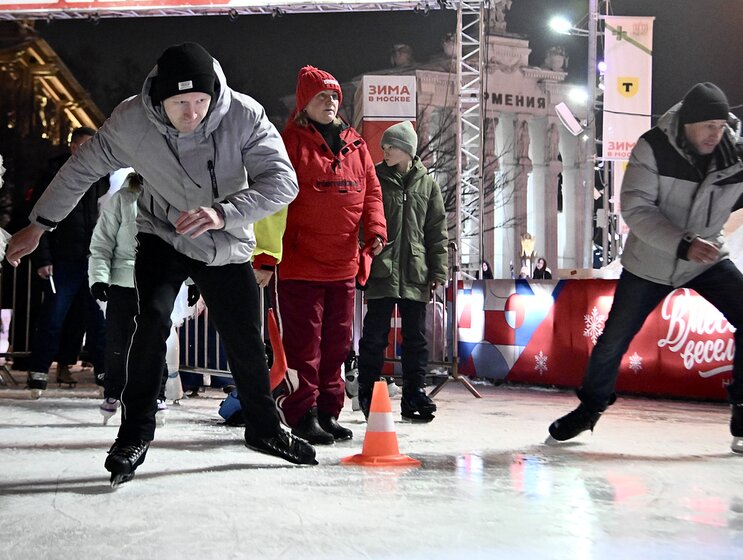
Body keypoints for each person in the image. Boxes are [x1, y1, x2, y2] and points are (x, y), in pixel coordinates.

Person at [6, 42, 317, 486]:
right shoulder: (132, 121)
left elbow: (283, 181)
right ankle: (133, 434)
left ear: (214, 94)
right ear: (158, 100)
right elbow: (80, 170)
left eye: (200, 102)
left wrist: (223, 213)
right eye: (179, 104)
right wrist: (40, 225)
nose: (192, 114)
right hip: (162, 233)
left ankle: (265, 429)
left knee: (247, 338)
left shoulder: (243, 114)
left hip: (224, 237)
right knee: (149, 323)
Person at [547, 82, 743, 454]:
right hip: (651, 262)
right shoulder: (653, 148)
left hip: (706, 259)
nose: (715, 134)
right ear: (687, 123)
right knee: (614, 341)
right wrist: (683, 243)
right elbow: (637, 209)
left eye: (720, 126)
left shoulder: (739, 156)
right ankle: (589, 409)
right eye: (708, 125)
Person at [256, 66, 386, 445]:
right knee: (303, 346)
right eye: (321, 97)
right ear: (304, 104)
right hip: (301, 265)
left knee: (337, 345)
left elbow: (372, 193)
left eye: (333, 97)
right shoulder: (289, 143)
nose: (329, 102)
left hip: (342, 264)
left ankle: (329, 412)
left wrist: (375, 230)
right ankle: (301, 412)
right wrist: (265, 255)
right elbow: (272, 200)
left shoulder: (356, 145)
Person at [357, 121, 448, 422]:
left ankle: (414, 393)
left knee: (416, 338)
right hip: (382, 268)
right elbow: (363, 220)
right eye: (384, 146)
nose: (385, 151)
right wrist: (363, 255)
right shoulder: (375, 179)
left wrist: (438, 271)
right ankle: (368, 392)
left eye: (391, 147)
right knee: (374, 336)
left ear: (408, 150)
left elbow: (436, 231)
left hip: (415, 272)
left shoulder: (428, 185)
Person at [88, 172, 194, 425]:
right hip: (123, 281)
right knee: (118, 341)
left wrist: (193, 281)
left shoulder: (174, 199)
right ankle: (114, 391)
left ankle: (157, 394)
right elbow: (102, 240)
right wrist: (99, 277)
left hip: (158, 281)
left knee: (156, 338)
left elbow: (187, 243)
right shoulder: (123, 199)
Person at [26, 127, 108, 394]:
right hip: (63, 259)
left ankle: (105, 373)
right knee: (53, 316)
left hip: (93, 260)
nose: (89, 151)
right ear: (73, 147)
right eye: (84, 146)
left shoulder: (100, 176)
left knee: (99, 319)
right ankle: (38, 371)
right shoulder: (54, 175)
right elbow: (38, 216)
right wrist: (43, 258)